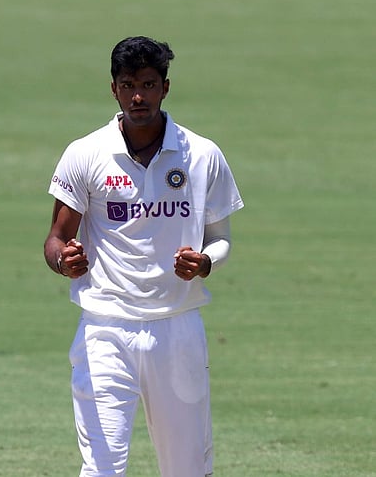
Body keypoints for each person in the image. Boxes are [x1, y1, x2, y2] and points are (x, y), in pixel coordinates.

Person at [43, 36, 243, 477]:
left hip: (178, 328)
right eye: (129, 84)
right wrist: (64, 261)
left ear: (165, 88)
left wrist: (206, 261)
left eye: (149, 84)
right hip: (105, 329)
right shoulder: (86, 153)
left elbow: (221, 238)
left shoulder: (202, 155)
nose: (139, 96)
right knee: (102, 468)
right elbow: (56, 239)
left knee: (187, 468)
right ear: (113, 89)